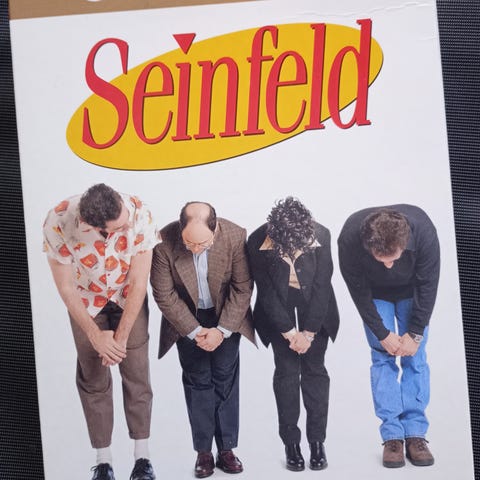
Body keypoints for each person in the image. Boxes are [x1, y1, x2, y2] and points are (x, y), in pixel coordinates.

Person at [43, 183, 159, 480]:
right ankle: (104, 461)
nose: (126, 226)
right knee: (93, 377)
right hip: (85, 301)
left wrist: (120, 340)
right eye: (118, 228)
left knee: (137, 373)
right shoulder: (58, 221)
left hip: (127, 297)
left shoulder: (140, 214)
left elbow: (139, 282)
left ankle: (142, 458)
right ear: (95, 228)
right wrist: (96, 336)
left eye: (125, 221)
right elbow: (66, 288)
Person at [150, 201, 255, 478]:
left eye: (203, 244)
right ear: (181, 228)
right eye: (189, 243)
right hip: (186, 318)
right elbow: (164, 295)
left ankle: (227, 449)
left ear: (215, 229)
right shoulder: (163, 241)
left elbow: (242, 288)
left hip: (226, 316)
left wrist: (221, 330)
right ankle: (204, 452)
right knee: (198, 382)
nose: (195, 250)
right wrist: (195, 331)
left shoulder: (235, 236)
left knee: (225, 380)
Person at [337, 204, 440, 468]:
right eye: (381, 260)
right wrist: (382, 334)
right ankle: (392, 436)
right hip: (374, 294)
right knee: (382, 357)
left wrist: (415, 334)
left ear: (405, 245)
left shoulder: (424, 231)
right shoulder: (350, 237)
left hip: (412, 291)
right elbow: (357, 291)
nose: (389, 266)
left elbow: (428, 285)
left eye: (393, 258)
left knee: (415, 358)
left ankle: (416, 433)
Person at [247, 197, 339, 472]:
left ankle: (318, 442)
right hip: (278, 307)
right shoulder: (257, 241)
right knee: (286, 373)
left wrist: (308, 334)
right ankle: (291, 444)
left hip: (316, 307)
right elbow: (266, 292)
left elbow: (322, 286)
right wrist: (289, 333)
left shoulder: (322, 234)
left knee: (315, 372)